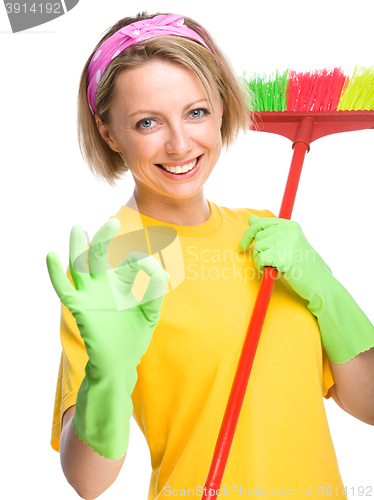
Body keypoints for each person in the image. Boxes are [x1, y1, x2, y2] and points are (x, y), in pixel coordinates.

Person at [47, 11, 374, 500]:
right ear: (110, 133)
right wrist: (106, 376)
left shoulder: (268, 235)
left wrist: (324, 287)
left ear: (221, 107)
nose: (180, 144)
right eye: (147, 122)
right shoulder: (115, 261)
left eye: (196, 112)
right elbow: (87, 482)